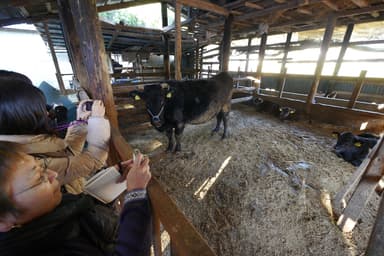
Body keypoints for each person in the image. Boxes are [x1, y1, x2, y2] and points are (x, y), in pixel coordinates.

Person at [0, 141, 152, 256]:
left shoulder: (50, 213)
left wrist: (116, 175)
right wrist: (136, 194)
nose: (53, 174)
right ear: (2, 222)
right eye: (39, 178)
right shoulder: (54, 247)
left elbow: (83, 203)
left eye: (43, 168)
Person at [0, 70, 110, 194]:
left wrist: (80, 122)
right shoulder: (18, 162)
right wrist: (98, 120)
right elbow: (92, 160)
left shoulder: (26, 141)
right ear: (17, 115)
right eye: (38, 109)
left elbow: (67, 152)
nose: (47, 113)